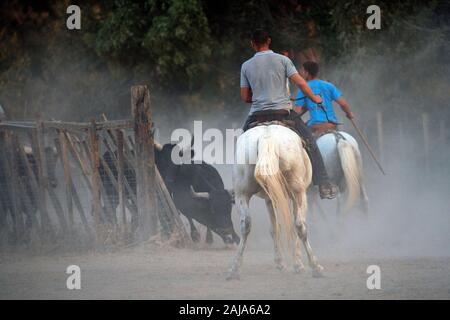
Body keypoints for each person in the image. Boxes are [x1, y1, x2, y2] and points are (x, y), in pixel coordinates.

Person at [240, 30, 337, 199]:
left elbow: (245, 97)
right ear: (269, 41)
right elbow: (301, 83)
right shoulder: (283, 60)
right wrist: (315, 98)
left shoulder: (246, 65)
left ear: (252, 44)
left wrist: (260, 96)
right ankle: (324, 183)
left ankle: (240, 184)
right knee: (310, 141)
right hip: (283, 113)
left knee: (241, 144)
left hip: (257, 115)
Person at [295, 61, 354, 136]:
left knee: (305, 143)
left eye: (303, 72)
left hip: (315, 127)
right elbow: (343, 103)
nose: (302, 74)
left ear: (307, 73)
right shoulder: (329, 86)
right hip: (331, 125)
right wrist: (349, 113)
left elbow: (297, 112)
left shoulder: (303, 88)